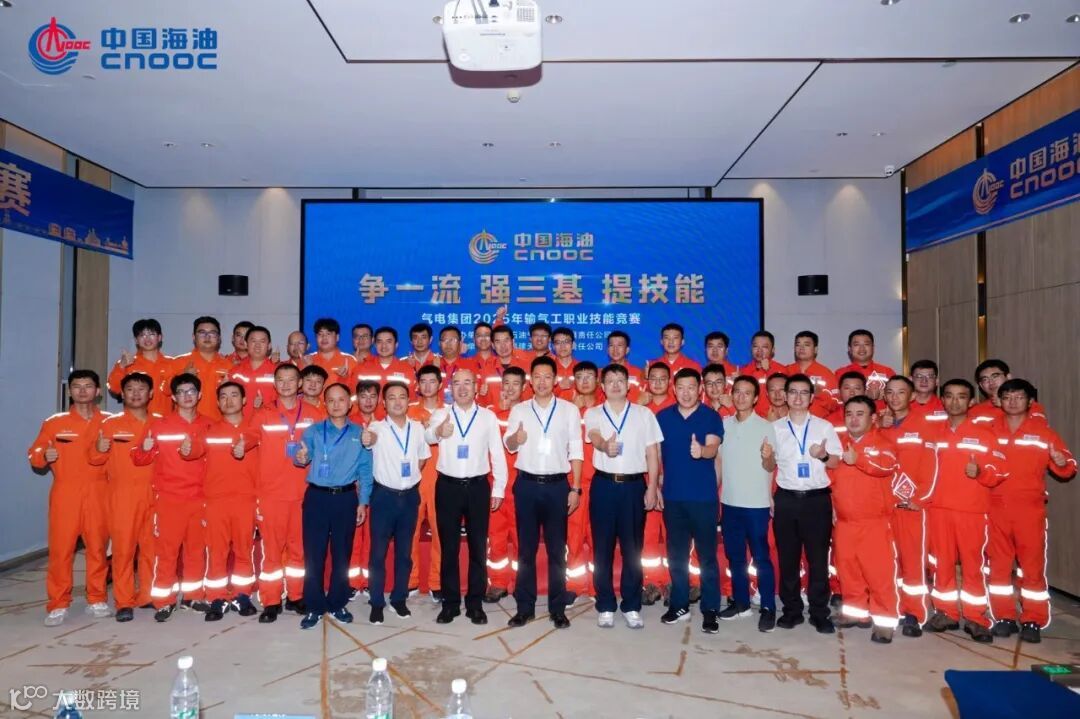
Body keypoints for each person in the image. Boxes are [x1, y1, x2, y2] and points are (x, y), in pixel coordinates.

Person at [987, 379, 1075, 643]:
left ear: (1030, 401)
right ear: (1000, 401)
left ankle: (1033, 619)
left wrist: (1061, 462)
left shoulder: (1043, 432)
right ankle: (1003, 616)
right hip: (994, 507)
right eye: (1007, 397)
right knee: (998, 567)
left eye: (1019, 397)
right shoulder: (990, 430)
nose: (1013, 402)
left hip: (1029, 509)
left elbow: (1068, 467)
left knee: (1031, 567)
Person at [923, 379, 1006, 643]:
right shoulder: (933, 433)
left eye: (961, 396)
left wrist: (980, 472)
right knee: (941, 564)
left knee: (973, 566)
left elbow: (1000, 471)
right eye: (949, 396)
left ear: (971, 402)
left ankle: (976, 618)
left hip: (972, 511)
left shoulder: (985, 434)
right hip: (938, 509)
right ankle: (945, 612)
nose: (954, 401)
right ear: (942, 400)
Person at [503, 356, 584, 629]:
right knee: (525, 550)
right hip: (526, 485)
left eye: (547, 376)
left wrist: (575, 487)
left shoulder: (569, 410)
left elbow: (576, 450)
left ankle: (557, 609)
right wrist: (516, 439)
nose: (542, 382)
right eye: (536, 376)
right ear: (530, 380)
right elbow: (509, 444)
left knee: (556, 550)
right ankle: (524, 608)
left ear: (555, 379)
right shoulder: (520, 409)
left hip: (557, 486)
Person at [425, 368, 509, 625]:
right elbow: (427, 436)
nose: (462, 388)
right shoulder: (441, 413)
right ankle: (450, 604)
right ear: (450, 388)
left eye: (467, 383)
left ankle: (475, 603)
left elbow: (497, 454)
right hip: (447, 487)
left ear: (475, 387)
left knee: (477, 547)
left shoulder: (487, 417)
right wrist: (438, 432)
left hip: (477, 487)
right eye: (457, 383)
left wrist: (499, 488)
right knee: (448, 548)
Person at [584, 364, 663, 629]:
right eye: (610, 381)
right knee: (602, 548)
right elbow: (594, 436)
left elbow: (652, 453)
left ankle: (631, 605)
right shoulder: (594, 412)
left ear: (629, 385)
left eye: (620, 380)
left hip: (633, 487)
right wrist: (604, 445)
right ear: (602, 386)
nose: (616, 385)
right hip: (604, 486)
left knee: (632, 548)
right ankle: (605, 604)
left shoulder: (644, 414)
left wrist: (652, 487)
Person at [29, 369, 110, 626]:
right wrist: (44, 456)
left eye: (88, 386)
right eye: (77, 386)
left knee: (97, 548)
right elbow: (35, 452)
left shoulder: (109, 422)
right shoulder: (54, 423)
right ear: (70, 391)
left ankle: (97, 598)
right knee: (61, 550)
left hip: (100, 492)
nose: (82, 391)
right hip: (66, 493)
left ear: (98, 391)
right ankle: (58, 603)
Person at [131, 373, 212, 622]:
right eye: (181, 392)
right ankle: (163, 601)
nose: (187, 396)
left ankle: (193, 597)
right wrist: (144, 449)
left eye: (191, 391)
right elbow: (139, 458)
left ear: (199, 395)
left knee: (196, 551)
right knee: (166, 552)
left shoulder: (210, 425)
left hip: (200, 498)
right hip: (169, 499)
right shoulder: (160, 425)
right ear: (174, 398)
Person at [294, 383, 374, 629]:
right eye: (331, 400)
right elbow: (303, 456)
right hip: (317, 498)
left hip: (346, 498)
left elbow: (365, 470)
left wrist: (363, 502)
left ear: (349, 404)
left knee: (342, 554)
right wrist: (301, 457)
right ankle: (314, 606)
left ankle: (338, 603)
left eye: (341, 400)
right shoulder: (314, 431)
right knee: (313, 555)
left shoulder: (360, 433)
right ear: (325, 403)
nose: (336, 404)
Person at [768, 373, 842, 633]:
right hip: (786, 498)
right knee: (787, 558)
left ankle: (819, 612)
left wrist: (823, 455)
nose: (798, 397)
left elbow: (836, 461)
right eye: (793, 392)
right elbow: (768, 466)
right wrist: (770, 496)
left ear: (811, 398)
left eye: (803, 393)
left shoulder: (824, 427)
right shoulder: (775, 428)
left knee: (818, 559)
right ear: (785, 396)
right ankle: (791, 610)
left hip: (816, 500)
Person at [250, 363, 322, 623]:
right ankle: (271, 601)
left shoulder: (314, 414)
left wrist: (310, 455)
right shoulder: (263, 414)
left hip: (304, 494)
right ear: (275, 383)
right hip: (271, 495)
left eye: (292, 379)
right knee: (271, 551)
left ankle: (296, 596)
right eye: (281, 379)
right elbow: (249, 438)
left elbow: (322, 448)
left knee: (298, 550)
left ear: (299, 383)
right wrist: (240, 444)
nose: (286, 384)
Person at [656, 369, 723, 633]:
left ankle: (710, 609)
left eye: (691, 387)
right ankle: (679, 604)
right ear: (674, 389)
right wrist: (656, 484)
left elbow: (713, 447)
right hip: (673, 498)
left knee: (707, 557)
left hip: (703, 499)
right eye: (681, 387)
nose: (686, 393)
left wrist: (702, 451)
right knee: (677, 556)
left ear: (700, 390)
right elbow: (656, 455)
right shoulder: (662, 417)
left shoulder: (711, 416)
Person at [830, 396, 902, 643]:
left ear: (873, 418)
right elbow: (831, 479)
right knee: (848, 570)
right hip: (844, 522)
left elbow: (886, 467)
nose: (853, 419)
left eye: (859, 414)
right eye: (849, 414)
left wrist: (858, 460)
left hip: (874, 522)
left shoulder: (884, 443)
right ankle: (856, 613)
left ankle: (884, 622)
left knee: (879, 573)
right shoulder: (838, 444)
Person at [88, 372, 156, 623]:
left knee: (152, 549)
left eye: (141, 389)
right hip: (122, 496)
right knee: (123, 551)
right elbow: (94, 459)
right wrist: (98, 449)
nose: (136, 394)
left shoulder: (160, 423)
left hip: (155, 494)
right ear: (122, 394)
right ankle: (124, 601)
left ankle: (147, 595)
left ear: (151, 394)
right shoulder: (110, 425)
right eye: (130, 389)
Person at [365, 382, 431, 624]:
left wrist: (409, 477)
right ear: (384, 403)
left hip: (409, 496)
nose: (397, 402)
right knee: (378, 553)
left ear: (408, 401)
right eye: (391, 397)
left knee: (405, 553)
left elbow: (423, 458)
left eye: (402, 397)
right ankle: (376, 602)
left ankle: (399, 598)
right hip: (384, 497)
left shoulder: (418, 428)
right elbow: (369, 440)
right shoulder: (377, 427)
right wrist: (367, 437)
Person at [720, 375, 779, 632]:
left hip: (756, 504)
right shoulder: (724, 425)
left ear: (756, 398)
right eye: (737, 392)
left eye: (747, 393)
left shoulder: (767, 427)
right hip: (729, 502)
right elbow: (718, 463)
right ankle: (741, 603)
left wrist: (768, 457)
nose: (741, 397)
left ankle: (768, 607)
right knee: (735, 557)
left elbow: (771, 466)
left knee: (761, 557)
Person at [878, 376, 937, 636]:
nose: (894, 397)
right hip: (885, 507)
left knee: (913, 562)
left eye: (901, 392)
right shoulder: (881, 426)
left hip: (912, 508)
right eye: (890, 392)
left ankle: (914, 613)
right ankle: (895, 606)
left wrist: (921, 499)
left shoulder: (924, 426)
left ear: (912, 396)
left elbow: (933, 466)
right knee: (888, 562)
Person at [200, 382, 259, 621]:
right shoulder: (208, 430)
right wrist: (186, 448)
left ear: (244, 400)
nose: (229, 400)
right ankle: (216, 597)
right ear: (217, 402)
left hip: (246, 499)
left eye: (234, 395)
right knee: (217, 551)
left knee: (244, 549)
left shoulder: (255, 430)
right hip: (216, 501)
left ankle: (242, 594)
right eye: (223, 396)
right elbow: (192, 453)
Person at [485, 366, 525, 603]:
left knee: (522, 538)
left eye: (515, 384)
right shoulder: (490, 413)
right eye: (506, 383)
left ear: (524, 387)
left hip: (522, 487)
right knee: (496, 537)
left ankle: (522, 582)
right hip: (496, 486)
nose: (510, 388)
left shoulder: (530, 413)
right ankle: (498, 583)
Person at [407, 365, 446, 602]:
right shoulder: (408, 411)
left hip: (442, 480)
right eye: (423, 381)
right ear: (417, 385)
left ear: (440, 384)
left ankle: (437, 582)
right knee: (410, 531)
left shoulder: (449, 412)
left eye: (433, 381)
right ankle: (410, 580)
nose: (428, 386)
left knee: (440, 533)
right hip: (415, 479)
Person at [640, 361, 674, 604]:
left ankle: (675, 582)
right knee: (648, 535)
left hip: (674, 481)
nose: (658, 383)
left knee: (674, 534)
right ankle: (651, 582)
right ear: (647, 381)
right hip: (646, 480)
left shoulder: (678, 407)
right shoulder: (639, 409)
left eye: (663, 378)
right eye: (654, 378)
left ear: (670, 381)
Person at [566, 361, 600, 596]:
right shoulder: (566, 409)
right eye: (580, 377)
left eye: (589, 376)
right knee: (574, 536)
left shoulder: (606, 408)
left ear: (598, 381)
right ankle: (575, 585)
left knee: (600, 536)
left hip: (600, 483)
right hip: (573, 482)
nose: (585, 381)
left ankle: (600, 586)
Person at [166, 317, 234, 421]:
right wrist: (183, 377)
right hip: (187, 424)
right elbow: (165, 392)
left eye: (212, 333)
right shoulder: (178, 362)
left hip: (218, 424)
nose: (207, 336)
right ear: (193, 337)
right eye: (202, 333)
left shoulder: (229, 366)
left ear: (219, 338)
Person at [108, 318, 174, 416]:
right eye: (142, 335)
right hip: (135, 420)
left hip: (164, 420)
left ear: (160, 337)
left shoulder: (172, 363)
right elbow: (114, 388)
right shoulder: (128, 363)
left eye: (151, 334)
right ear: (136, 340)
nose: (147, 339)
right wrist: (121, 366)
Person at [971, 359, 1047, 425]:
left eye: (995, 376)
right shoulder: (976, 410)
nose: (991, 382)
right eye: (985, 379)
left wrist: (1005, 406)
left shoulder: (1028, 405)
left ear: (1008, 377)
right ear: (981, 385)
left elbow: (1038, 428)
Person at [229, 326, 278, 417]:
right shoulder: (235, 372)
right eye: (253, 341)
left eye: (262, 341)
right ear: (246, 344)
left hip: (268, 422)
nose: (257, 345)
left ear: (269, 346)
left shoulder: (277, 372)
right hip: (241, 423)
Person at [834, 330, 895, 402]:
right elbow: (836, 400)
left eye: (866, 344)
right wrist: (866, 394)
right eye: (856, 345)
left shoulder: (887, 372)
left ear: (873, 348)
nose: (862, 349)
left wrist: (884, 395)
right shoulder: (840, 373)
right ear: (850, 349)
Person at [739, 331, 787, 416]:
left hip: (774, 418)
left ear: (773, 350)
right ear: (751, 348)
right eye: (755, 346)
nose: (759, 350)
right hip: (751, 418)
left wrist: (768, 370)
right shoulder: (743, 371)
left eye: (764, 347)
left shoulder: (782, 370)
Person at [790, 331, 837, 418]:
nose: (801, 348)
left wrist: (820, 394)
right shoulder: (787, 371)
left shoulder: (826, 373)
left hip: (819, 422)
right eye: (798, 345)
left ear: (815, 349)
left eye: (806, 345)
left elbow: (837, 403)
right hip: (791, 421)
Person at [356, 326, 414, 390]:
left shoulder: (407, 369)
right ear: (375, 345)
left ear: (396, 345)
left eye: (388, 341)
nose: (384, 346)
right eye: (379, 342)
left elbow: (412, 395)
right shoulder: (362, 367)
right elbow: (353, 394)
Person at [606, 330, 646, 403]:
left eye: (619, 345)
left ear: (627, 350)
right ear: (607, 350)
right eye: (611, 345)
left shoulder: (639, 373)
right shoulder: (600, 373)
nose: (615, 349)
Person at [826, 372, 868, 436]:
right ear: (839, 392)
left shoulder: (874, 419)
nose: (852, 393)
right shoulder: (829, 421)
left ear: (865, 392)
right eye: (847, 388)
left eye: (857, 388)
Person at [551, 327, 578, 400]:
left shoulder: (581, 368)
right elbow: (541, 395)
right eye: (558, 342)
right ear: (553, 346)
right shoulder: (548, 369)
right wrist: (559, 388)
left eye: (566, 342)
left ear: (573, 345)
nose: (562, 346)